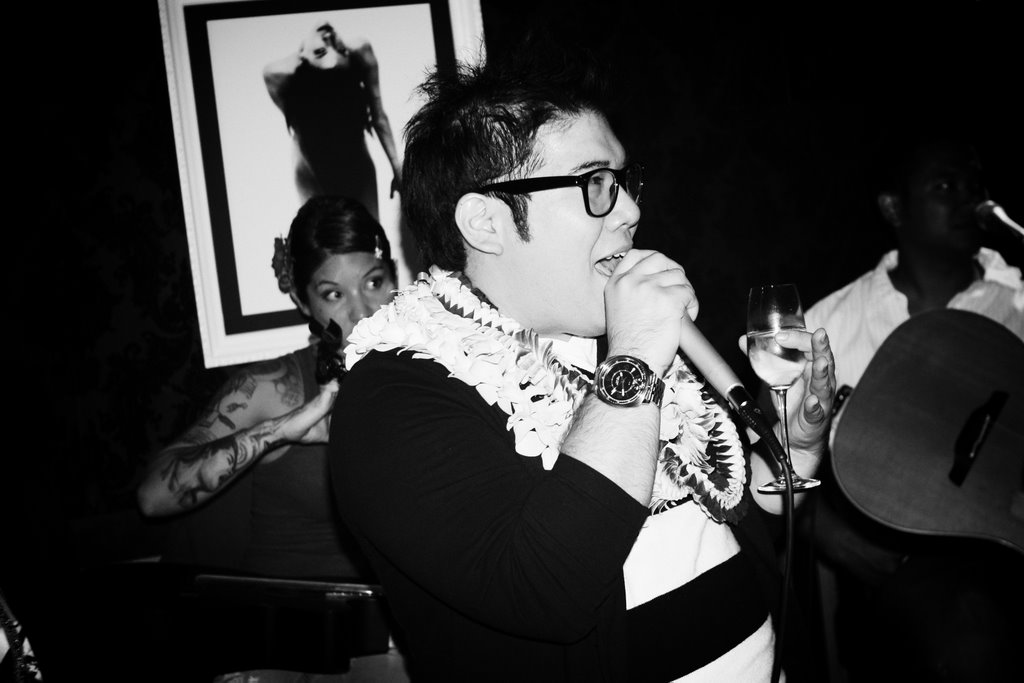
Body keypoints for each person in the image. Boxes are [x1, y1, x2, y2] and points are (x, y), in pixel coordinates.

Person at [329, 38, 837, 682]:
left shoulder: (620, 342)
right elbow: (549, 587)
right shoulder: (392, 397)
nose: (630, 210)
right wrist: (635, 357)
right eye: (595, 184)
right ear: (485, 222)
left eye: (623, 182)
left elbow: (728, 520)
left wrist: (793, 446)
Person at [803, 128, 1024, 681]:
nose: (970, 199)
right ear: (894, 208)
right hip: (908, 577)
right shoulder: (830, 325)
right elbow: (773, 461)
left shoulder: (1018, 296)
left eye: (975, 184)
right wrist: (825, 530)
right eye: (945, 186)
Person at [263, 21, 403, 218]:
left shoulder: (361, 51)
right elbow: (297, 126)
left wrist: (397, 169)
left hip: (356, 163)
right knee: (322, 232)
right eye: (321, 51)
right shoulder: (277, 76)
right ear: (302, 59)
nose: (328, 37)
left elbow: (378, 116)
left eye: (334, 46)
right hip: (311, 169)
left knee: (369, 231)